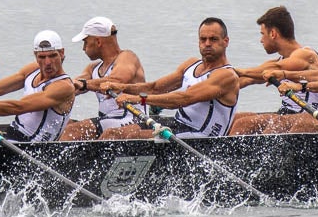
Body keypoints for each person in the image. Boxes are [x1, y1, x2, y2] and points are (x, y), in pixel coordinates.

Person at [98, 17, 240, 140]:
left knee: (122, 137)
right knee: (111, 133)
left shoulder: (226, 76)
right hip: (178, 125)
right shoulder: (191, 64)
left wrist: (137, 99)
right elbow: (155, 88)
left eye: (213, 39)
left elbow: (183, 99)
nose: (207, 44)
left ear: (226, 41)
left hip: (201, 138)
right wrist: (122, 87)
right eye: (203, 39)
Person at [230, 5, 318, 135]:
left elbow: (277, 68)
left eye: (262, 34)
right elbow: (246, 80)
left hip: (308, 117)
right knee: (238, 120)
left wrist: (240, 71)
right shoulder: (276, 61)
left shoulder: (306, 55)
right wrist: (217, 87)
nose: (261, 40)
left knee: (277, 123)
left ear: (273, 34)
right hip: (285, 115)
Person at [60, 16, 146, 141]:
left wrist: (84, 84)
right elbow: (72, 87)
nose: (83, 48)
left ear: (98, 42)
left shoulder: (127, 57)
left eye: (86, 42)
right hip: (109, 121)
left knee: (74, 130)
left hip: (132, 120)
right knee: (64, 125)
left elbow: (117, 81)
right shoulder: (93, 68)